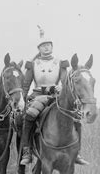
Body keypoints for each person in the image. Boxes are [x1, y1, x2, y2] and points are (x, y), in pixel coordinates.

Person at [19, 26, 89, 166]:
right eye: (43, 46)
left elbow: (64, 80)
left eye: (48, 45)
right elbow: (26, 84)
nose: (46, 48)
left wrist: (61, 86)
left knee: (75, 117)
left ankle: (77, 152)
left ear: (52, 46)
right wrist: (22, 99)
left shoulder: (60, 62)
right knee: (30, 116)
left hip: (56, 95)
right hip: (38, 95)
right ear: (39, 49)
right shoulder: (33, 64)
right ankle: (27, 151)